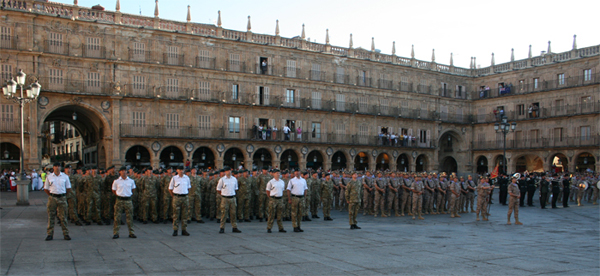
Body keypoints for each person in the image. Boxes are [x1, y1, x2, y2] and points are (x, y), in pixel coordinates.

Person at [44, 162, 72, 241]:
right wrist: (51, 195)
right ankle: (50, 234)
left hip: (62, 197)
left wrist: (63, 195)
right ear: (53, 167)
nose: (57, 168)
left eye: (58, 166)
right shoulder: (49, 177)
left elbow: (68, 188)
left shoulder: (65, 177)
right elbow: (46, 188)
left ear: (61, 168)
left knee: (63, 216)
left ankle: (66, 233)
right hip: (53, 197)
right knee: (51, 216)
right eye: (55, 166)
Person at [112, 166, 137, 239]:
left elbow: (133, 189)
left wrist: (128, 194)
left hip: (128, 200)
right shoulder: (116, 181)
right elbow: (114, 190)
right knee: (117, 217)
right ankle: (116, 233)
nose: (124, 172)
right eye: (122, 171)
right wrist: (119, 194)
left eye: (125, 171)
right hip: (119, 200)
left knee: (130, 217)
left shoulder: (131, 181)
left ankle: (131, 232)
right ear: (119, 172)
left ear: (127, 172)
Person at [217, 167, 241, 233]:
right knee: (224, 214)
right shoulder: (222, 180)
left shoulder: (234, 179)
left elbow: (236, 188)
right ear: (225, 172)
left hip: (232, 198)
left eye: (229, 171)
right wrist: (223, 194)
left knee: (233, 213)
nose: (228, 172)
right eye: (227, 171)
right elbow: (218, 189)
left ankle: (234, 227)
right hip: (225, 198)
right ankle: (222, 227)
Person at [169, 166, 191, 236]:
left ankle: (184, 229)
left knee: (185, 214)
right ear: (177, 170)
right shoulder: (174, 178)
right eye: (180, 170)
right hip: (177, 197)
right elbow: (170, 188)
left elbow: (189, 188)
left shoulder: (187, 178)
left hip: (184, 197)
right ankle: (175, 229)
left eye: (182, 170)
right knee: (176, 214)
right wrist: (174, 196)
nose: (181, 171)